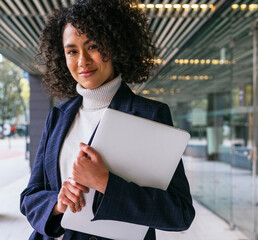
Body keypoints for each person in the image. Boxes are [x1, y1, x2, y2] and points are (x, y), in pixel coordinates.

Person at [20, 0, 195, 239]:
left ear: (114, 47)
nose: (82, 61)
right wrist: (59, 202)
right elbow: (30, 197)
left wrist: (105, 183)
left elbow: (180, 212)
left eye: (92, 46)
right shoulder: (58, 116)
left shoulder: (150, 115)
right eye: (72, 51)